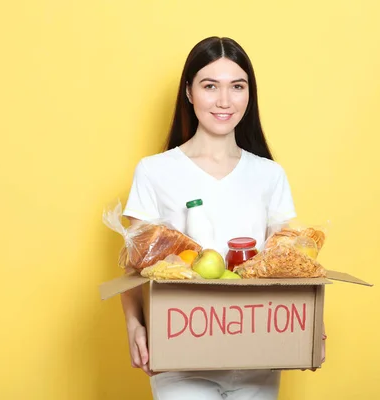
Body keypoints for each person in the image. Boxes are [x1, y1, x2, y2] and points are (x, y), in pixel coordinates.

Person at [120, 36, 321, 400]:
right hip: (179, 359)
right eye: (210, 86)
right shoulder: (154, 172)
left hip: (257, 357)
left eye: (237, 87)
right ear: (189, 92)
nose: (225, 101)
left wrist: (310, 326)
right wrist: (134, 325)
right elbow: (135, 266)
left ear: (249, 94)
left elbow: (288, 266)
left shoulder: (269, 175)